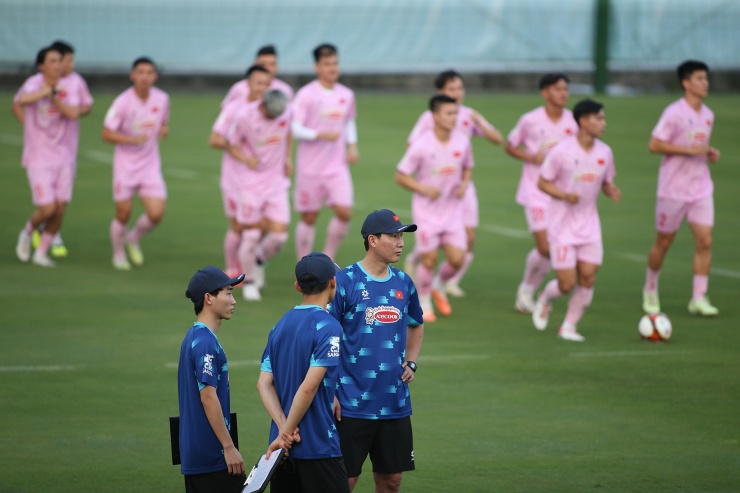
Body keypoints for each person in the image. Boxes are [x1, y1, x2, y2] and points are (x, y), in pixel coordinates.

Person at [328, 209, 424, 493]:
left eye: (402, 237)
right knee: (345, 481)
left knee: (392, 481)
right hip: (350, 404)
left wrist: (412, 362)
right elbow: (324, 335)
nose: (401, 243)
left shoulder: (404, 282)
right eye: (393, 237)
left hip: (394, 403)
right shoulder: (346, 281)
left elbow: (416, 323)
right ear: (372, 240)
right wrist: (329, 390)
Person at [257, 252, 349, 493]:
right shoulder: (329, 327)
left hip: (282, 450)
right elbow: (309, 387)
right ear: (332, 282)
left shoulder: (280, 325)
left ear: (298, 286)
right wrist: (288, 432)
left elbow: (263, 383)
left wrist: (282, 430)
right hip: (318, 445)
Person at [405, 70, 502, 297]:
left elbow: (498, 139)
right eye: (452, 89)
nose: (457, 93)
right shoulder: (430, 118)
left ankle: (445, 282)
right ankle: (419, 262)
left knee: (469, 237)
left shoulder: (468, 115)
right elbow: (412, 147)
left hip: (461, 187)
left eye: (460, 88)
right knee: (435, 238)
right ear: (441, 92)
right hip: (437, 188)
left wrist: (478, 120)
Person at [531, 99, 621, 341]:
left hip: (590, 225)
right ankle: (545, 298)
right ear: (583, 121)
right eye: (598, 118)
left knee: (588, 276)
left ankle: (569, 326)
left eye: (603, 118)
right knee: (566, 284)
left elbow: (605, 181)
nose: (603, 123)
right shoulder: (562, 152)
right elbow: (542, 182)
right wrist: (564, 195)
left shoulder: (605, 152)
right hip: (562, 227)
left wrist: (611, 190)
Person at [642, 60, 721, 317]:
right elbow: (654, 145)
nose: (705, 83)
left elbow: (698, 146)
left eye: (706, 78)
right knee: (664, 242)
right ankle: (650, 287)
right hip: (673, 190)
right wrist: (688, 150)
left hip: (701, 187)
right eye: (699, 78)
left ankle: (699, 297)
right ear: (686, 83)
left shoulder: (708, 115)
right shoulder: (673, 113)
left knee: (705, 241)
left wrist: (709, 152)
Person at [396, 95, 473, 322]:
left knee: (457, 260)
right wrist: (423, 188)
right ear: (435, 116)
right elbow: (401, 175)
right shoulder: (421, 145)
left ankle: (438, 285)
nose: (454, 117)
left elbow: (468, 167)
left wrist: (464, 184)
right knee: (429, 259)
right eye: (449, 113)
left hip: (452, 211)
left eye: (455, 113)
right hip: (427, 212)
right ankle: (424, 301)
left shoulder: (462, 142)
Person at [14, 40, 94, 259]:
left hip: (65, 156)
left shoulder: (71, 84)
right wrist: (45, 93)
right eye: (53, 61)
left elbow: (74, 112)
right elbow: (20, 100)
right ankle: (27, 232)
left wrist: (53, 97)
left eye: (60, 61)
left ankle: (41, 253)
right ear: (41, 66)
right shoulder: (33, 83)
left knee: (59, 209)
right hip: (39, 157)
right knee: (47, 208)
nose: (59, 65)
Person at [505, 73, 578, 314]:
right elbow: (510, 145)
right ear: (545, 92)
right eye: (558, 89)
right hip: (535, 191)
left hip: (561, 194)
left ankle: (528, 291)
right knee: (545, 247)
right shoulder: (530, 120)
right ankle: (526, 288)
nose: (563, 93)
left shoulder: (574, 121)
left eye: (565, 89)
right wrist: (529, 156)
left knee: (552, 247)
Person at [178, 266, 247, 492]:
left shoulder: (195, 336)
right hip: (211, 457)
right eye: (228, 293)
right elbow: (208, 397)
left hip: (201, 455)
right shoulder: (205, 342)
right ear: (208, 298)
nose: (233, 301)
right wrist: (229, 447)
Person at [292, 43, 359, 261]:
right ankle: (304, 265)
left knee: (344, 212)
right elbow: (294, 128)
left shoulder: (346, 94)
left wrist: (352, 145)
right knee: (309, 216)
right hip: (310, 167)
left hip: (337, 166)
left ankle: (328, 258)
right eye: (327, 64)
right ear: (317, 67)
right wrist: (319, 134)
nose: (332, 68)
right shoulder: (306, 95)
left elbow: (348, 121)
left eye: (335, 63)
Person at [102, 57, 170, 270]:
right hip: (126, 167)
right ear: (132, 75)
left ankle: (133, 238)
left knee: (156, 214)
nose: (144, 77)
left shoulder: (162, 99)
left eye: (149, 72)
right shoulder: (122, 102)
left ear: (155, 76)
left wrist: (163, 129)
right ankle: (118, 253)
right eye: (140, 72)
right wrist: (131, 139)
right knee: (123, 213)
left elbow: (162, 121)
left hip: (150, 166)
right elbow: (106, 133)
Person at [208, 65, 274, 284]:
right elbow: (214, 139)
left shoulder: (272, 110)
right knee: (238, 226)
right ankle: (232, 270)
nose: (262, 88)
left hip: (263, 180)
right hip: (235, 178)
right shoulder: (234, 109)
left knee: (263, 226)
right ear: (248, 84)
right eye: (258, 83)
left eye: (266, 84)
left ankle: (251, 263)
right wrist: (240, 150)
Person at [225, 89, 292, 301]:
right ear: (263, 106)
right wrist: (245, 158)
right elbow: (230, 143)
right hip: (250, 185)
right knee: (252, 235)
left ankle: (258, 260)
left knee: (280, 236)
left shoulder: (286, 113)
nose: (274, 118)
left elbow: (288, 132)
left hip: (276, 183)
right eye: (271, 114)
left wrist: (288, 158)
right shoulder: (245, 116)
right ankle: (249, 282)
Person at [220, 45, 294, 109]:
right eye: (263, 64)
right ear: (255, 64)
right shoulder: (239, 88)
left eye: (272, 64)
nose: (268, 68)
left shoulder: (284, 90)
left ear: (277, 66)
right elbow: (225, 111)